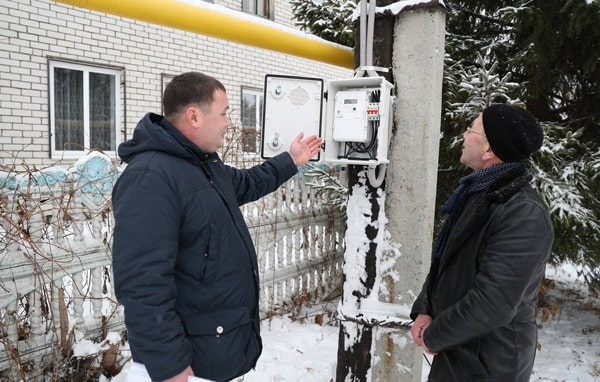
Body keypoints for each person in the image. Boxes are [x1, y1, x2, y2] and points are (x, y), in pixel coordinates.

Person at [111, 71, 322, 382]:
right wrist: (168, 366)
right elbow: (143, 283)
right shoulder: (151, 177)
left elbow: (248, 183)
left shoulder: (203, 165)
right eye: (224, 113)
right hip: (185, 365)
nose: (228, 123)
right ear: (194, 116)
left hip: (214, 348)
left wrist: (290, 160)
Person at [410, 104, 554, 382]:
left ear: (489, 151)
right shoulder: (477, 193)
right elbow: (444, 262)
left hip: (488, 364)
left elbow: (494, 301)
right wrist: (424, 310)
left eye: (471, 129)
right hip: (459, 350)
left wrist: (435, 336)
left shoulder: (523, 213)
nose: (464, 135)